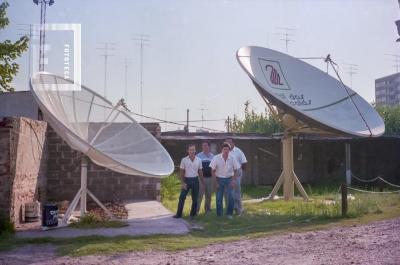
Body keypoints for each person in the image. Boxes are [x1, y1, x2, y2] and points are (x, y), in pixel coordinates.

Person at [210, 142, 240, 219]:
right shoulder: (216, 158)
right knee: (219, 198)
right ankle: (219, 215)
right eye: (224, 149)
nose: (226, 151)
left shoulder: (232, 158)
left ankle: (229, 214)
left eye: (227, 149)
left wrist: (233, 181)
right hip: (219, 179)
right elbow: (213, 171)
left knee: (231, 197)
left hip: (230, 179)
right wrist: (215, 182)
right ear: (222, 150)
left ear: (229, 150)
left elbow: (236, 169)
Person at [174, 144, 204, 220]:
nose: (192, 151)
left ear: (195, 151)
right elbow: (181, 172)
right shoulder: (184, 160)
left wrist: (202, 182)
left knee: (195, 199)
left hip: (195, 180)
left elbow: (200, 171)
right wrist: (183, 182)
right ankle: (179, 214)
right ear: (188, 151)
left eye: (193, 150)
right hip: (186, 180)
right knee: (182, 197)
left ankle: (192, 215)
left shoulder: (199, 160)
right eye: (190, 150)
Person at [225, 138, 247, 215]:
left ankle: (238, 209)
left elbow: (244, 162)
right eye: (226, 142)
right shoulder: (224, 151)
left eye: (229, 142)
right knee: (228, 192)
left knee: (237, 192)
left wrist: (240, 171)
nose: (228, 143)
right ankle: (229, 209)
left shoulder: (238, 151)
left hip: (237, 173)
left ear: (233, 143)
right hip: (227, 174)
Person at [196, 141, 215, 214]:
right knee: (199, 195)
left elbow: (214, 167)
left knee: (209, 195)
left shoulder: (213, 156)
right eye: (203, 146)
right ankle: (196, 211)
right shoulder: (198, 156)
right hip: (201, 178)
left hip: (210, 178)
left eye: (206, 145)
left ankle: (207, 210)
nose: (204, 147)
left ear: (209, 147)